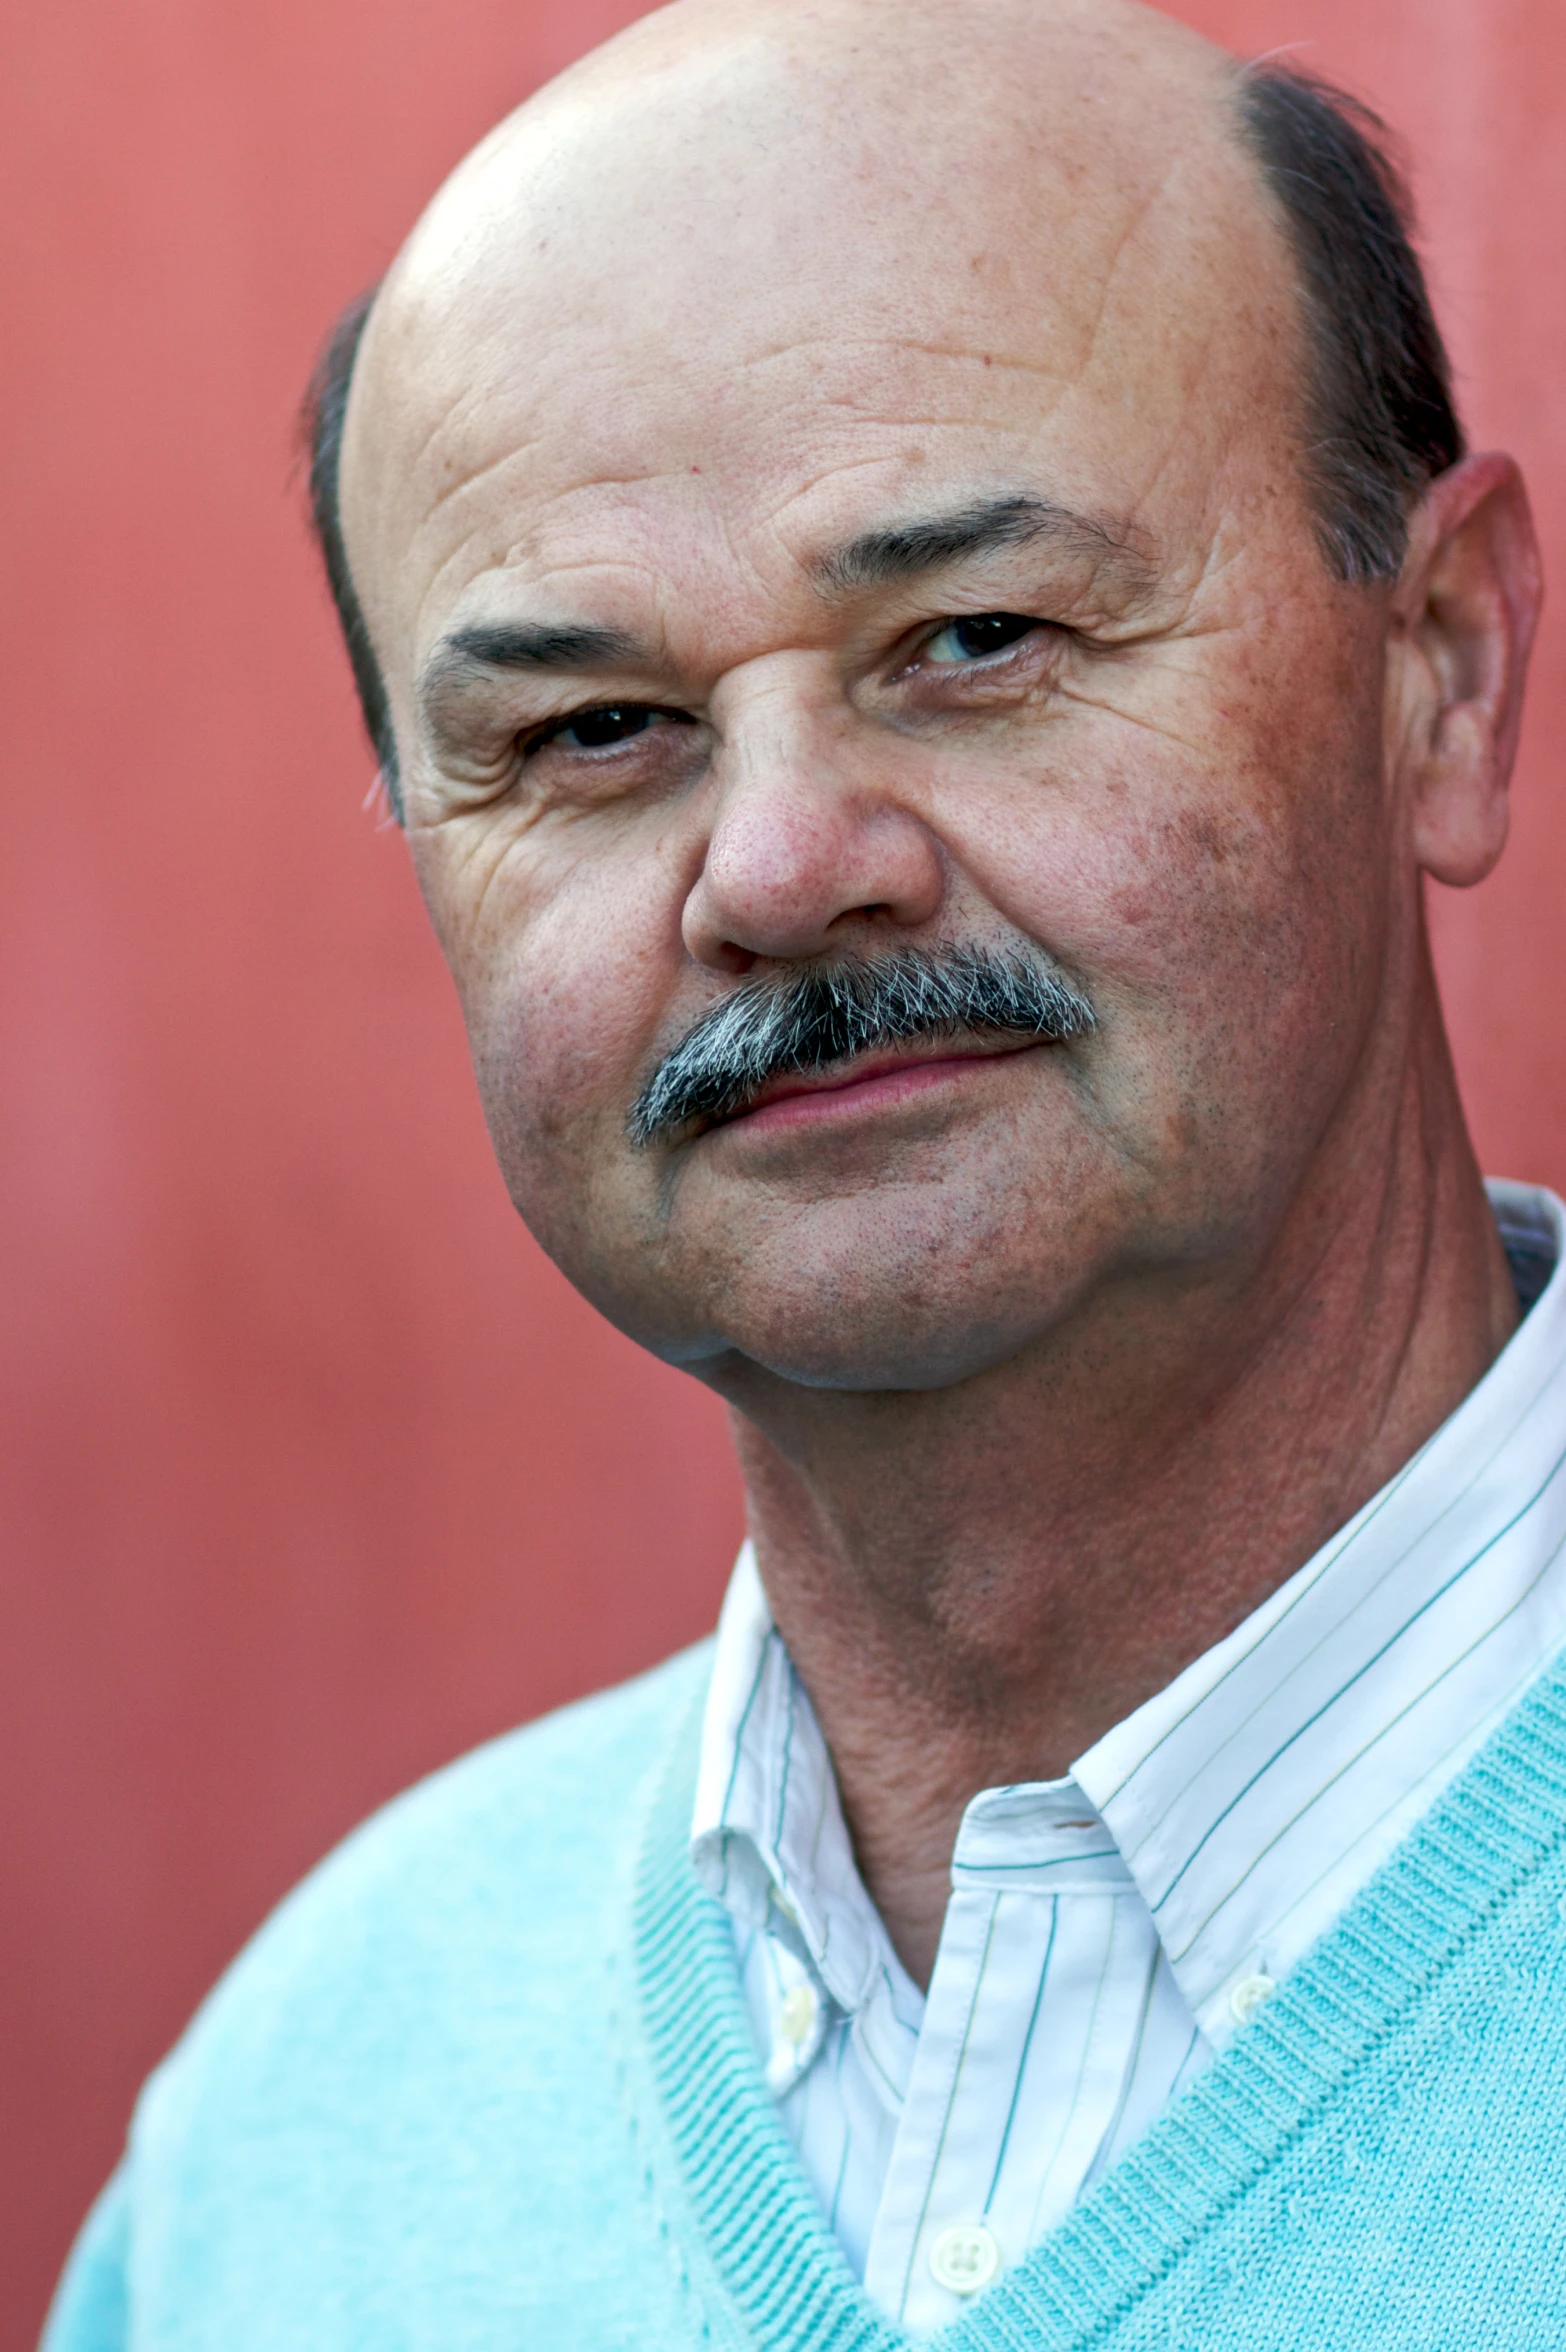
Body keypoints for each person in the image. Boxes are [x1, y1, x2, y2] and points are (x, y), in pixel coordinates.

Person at [44, 0, 1564, 2342]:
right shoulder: (302, 2145)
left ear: (1444, 668)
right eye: (591, 732)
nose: (774, 863)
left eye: (974, 637)